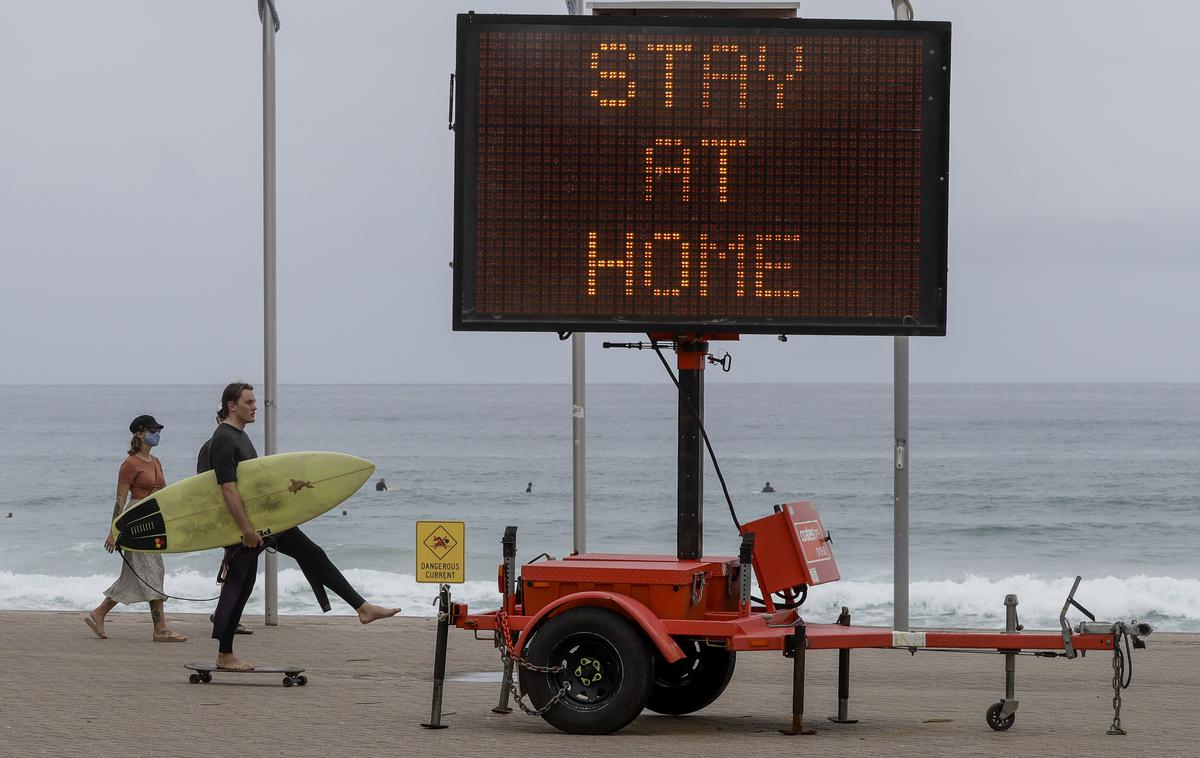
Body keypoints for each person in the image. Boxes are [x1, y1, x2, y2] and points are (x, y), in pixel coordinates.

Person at [205, 382, 400, 671]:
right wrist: (246, 530)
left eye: (255, 401)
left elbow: (253, 485)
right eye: (249, 402)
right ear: (232, 405)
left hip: (266, 522)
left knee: (312, 554)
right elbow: (228, 489)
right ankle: (225, 654)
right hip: (249, 526)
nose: (255, 406)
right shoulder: (224, 438)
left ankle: (362, 608)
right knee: (240, 585)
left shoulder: (240, 437)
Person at [85, 415, 187, 642]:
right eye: (153, 430)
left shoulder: (156, 461)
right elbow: (120, 501)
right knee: (153, 570)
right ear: (140, 434)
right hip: (135, 521)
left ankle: (98, 613)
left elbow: (164, 493)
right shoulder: (129, 464)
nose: (157, 434)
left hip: (153, 520)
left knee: (135, 576)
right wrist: (113, 531)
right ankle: (160, 628)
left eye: (158, 430)